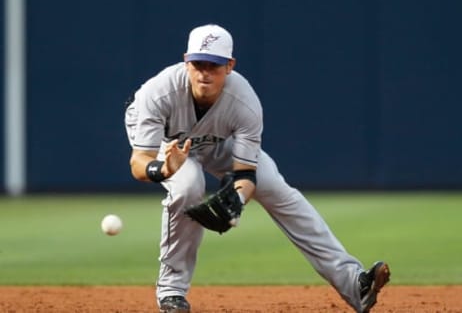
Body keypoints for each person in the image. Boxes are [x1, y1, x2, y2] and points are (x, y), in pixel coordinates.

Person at [124, 23, 390, 313]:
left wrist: (237, 200)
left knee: (273, 185)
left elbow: (246, 174)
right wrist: (163, 169)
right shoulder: (158, 93)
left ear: (230, 66)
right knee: (188, 185)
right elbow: (138, 163)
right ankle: (172, 292)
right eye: (198, 63)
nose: (204, 72)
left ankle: (354, 284)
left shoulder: (245, 102)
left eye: (214, 65)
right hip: (169, 144)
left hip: (216, 139)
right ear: (186, 62)